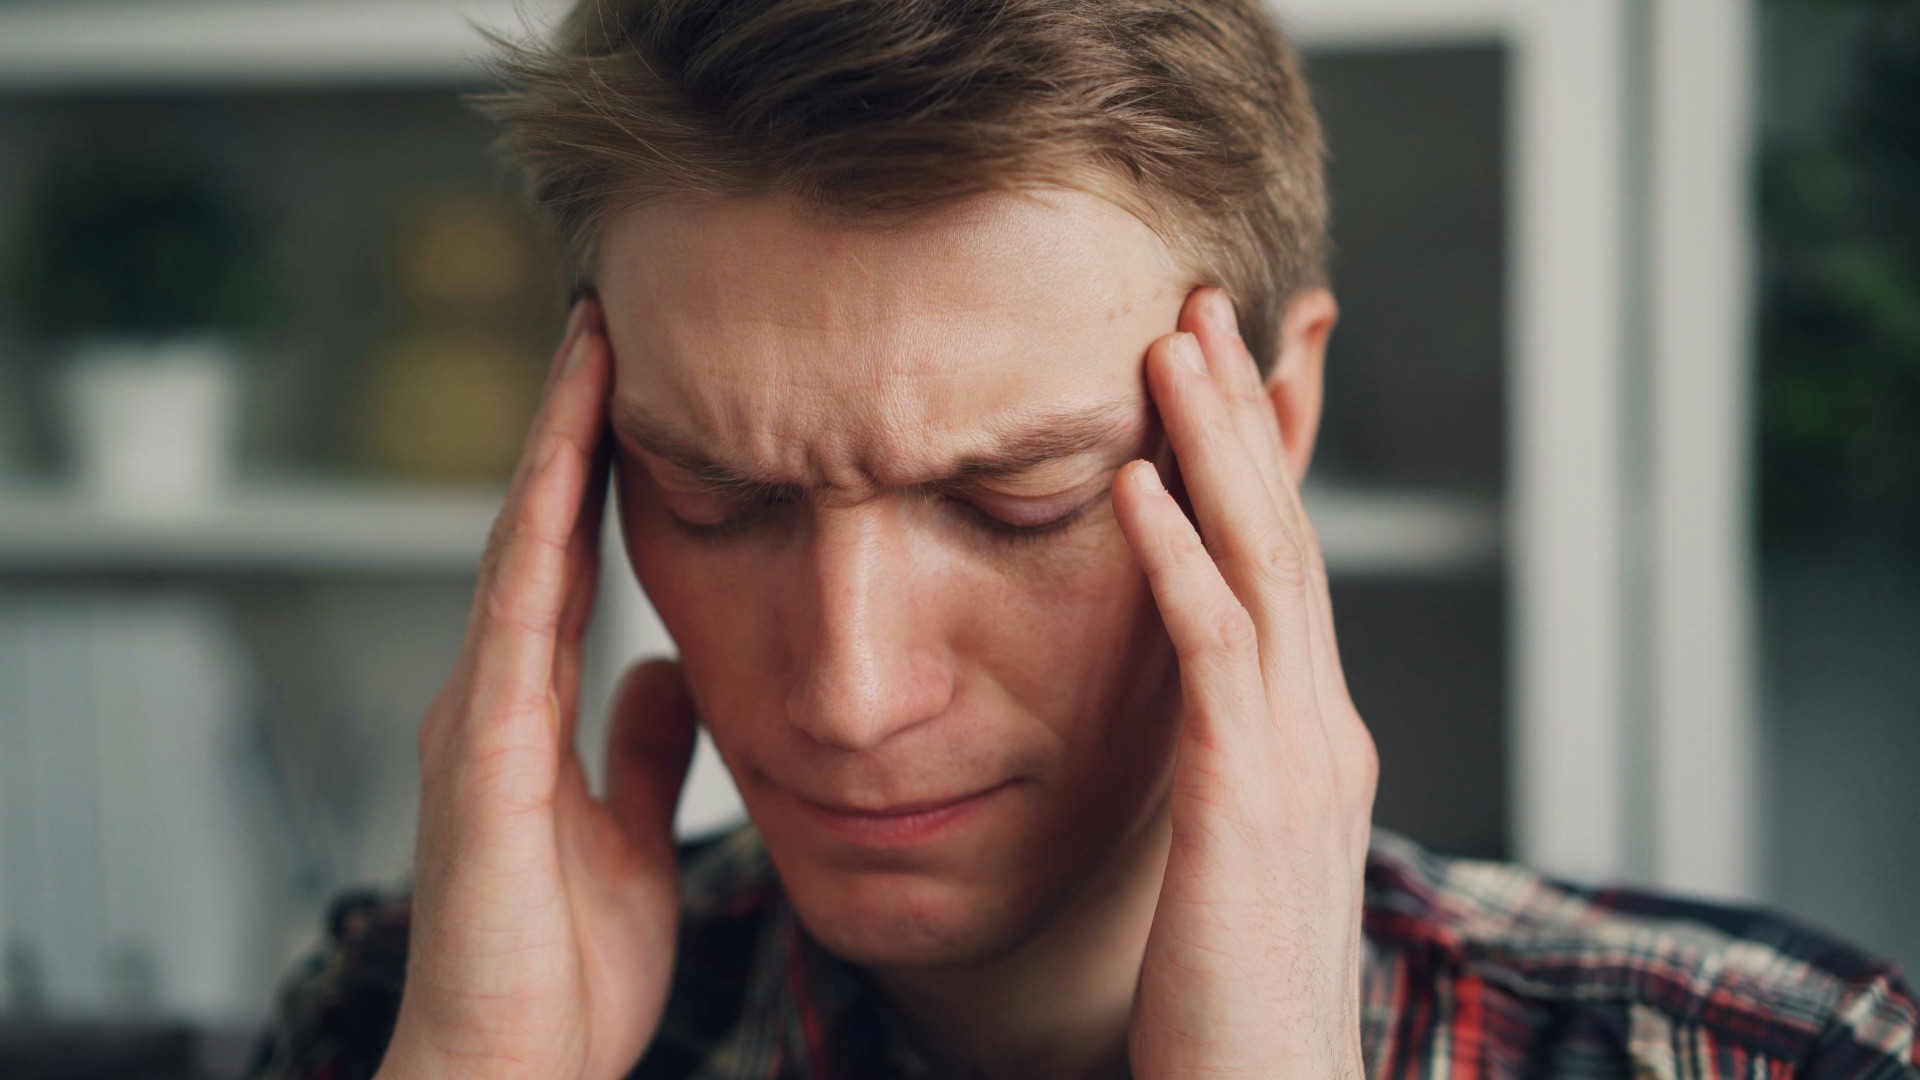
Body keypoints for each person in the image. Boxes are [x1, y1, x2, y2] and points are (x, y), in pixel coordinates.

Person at [252, 2, 1918, 1078]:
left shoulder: (1769, 1059)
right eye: (716, 497)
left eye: (1018, 501)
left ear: (1270, 425)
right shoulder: (401, 1024)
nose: (849, 694)